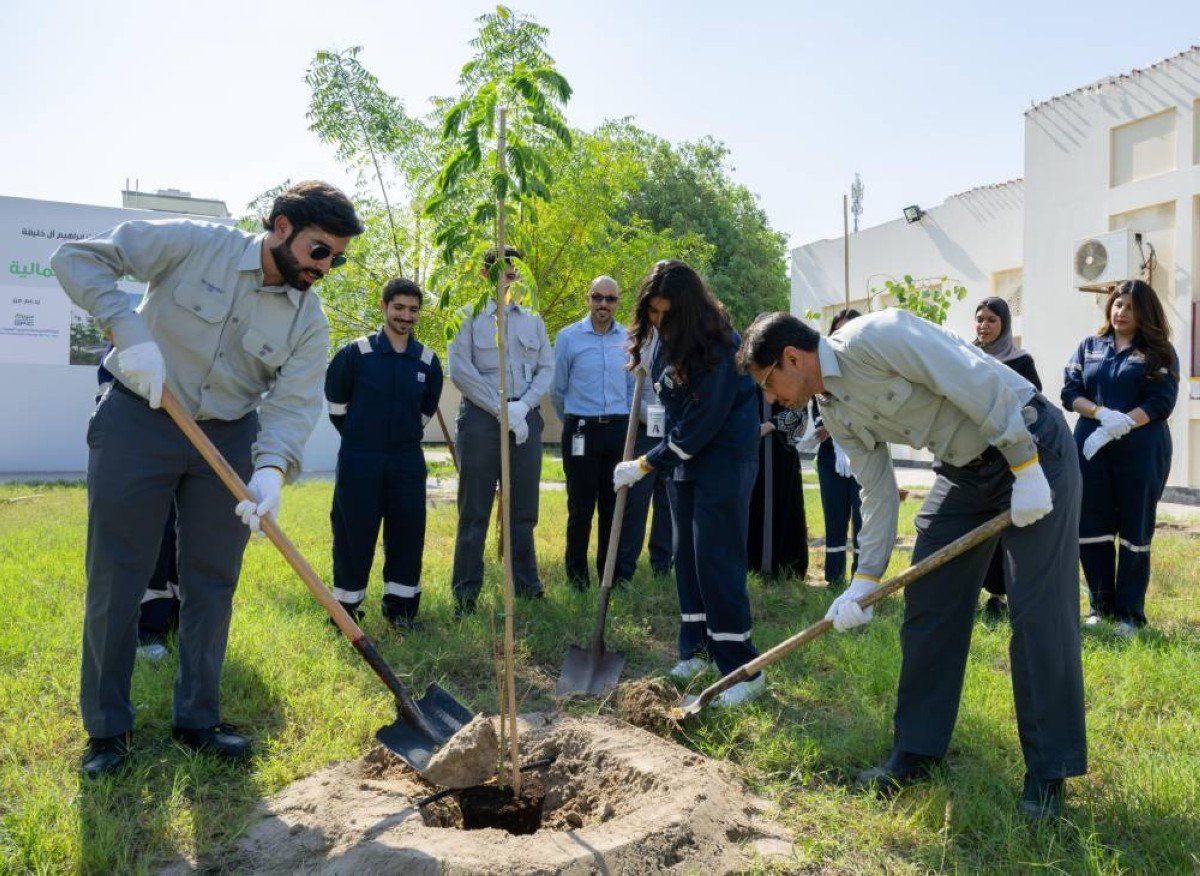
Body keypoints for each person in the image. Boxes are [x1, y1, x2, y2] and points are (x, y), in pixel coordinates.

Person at [53, 181, 364, 779]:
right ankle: (108, 730)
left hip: (225, 437)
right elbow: (75, 258)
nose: (326, 268)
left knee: (212, 580)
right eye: (320, 251)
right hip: (137, 417)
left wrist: (271, 469)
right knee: (117, 576)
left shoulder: (308, 318)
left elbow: (294, 403)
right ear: (280, 227)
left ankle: (197, 719)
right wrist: (131, 332)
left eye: (338, 258)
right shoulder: (195, 244)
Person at [739, 309, 1085, 821]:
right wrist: (862, 582)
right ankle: (917, 751)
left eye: (770, 383)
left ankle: (1049, 773)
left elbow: (973, 378)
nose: (772, 398)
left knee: (1038, 613)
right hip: (964, 474)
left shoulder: (881, 336)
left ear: (793, 357)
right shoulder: (832, 409)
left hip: (1031, 445)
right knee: (930, 604)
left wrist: (1026, 465)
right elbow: (876, 490)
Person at [613, 260, 764, 707]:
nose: (659, 322)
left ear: (689, 308)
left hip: (721, 461)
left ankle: (742, 669)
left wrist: (644, 463)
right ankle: (696, 650)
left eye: (667, 314)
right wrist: (649, 361)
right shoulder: (666, 340)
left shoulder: (720, 348)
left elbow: (700, 425)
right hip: (686, 462)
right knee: (687, 559)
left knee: (717, 562)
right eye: (653, 313)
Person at [1062, 280, 1179, 636]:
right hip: (1091, 449)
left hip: (1141, 451)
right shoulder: (1090, 347)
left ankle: (1130, 614)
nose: (1120, 312)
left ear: (1144, 312)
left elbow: (1161, 401)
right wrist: (1101, 415)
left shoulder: (1159, 351)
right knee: (1091, 528)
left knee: (1134, 529)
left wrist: (1123, 423)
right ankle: (1101, 606)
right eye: (1116, 304)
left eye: (1129, 306)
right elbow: (1070, 392)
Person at [325, 278, 443, 631]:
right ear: (384, 306)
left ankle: (402, 612)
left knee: (407, 533)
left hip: (406, 460)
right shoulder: (356, 354)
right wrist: (364, 437)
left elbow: (425, 409)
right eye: (399, 308)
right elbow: (336, 407)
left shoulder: (426, 360)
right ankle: (346, 615)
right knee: (353, 534)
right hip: (360, 459)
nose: (406, 316)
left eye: (413, 310)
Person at [447, 247, 554, 614]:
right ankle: (465, 594)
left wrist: (523, 408)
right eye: (503, 271)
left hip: (526, 418)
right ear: (485, 275)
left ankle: (527, 587)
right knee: (474, 509)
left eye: (515, 272)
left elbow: (546, 368)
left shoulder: (533, 320)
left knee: (523, 511)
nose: (510, 277)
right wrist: (501, 410)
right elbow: (461, 371)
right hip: (480, 421)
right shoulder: (467, 316)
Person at [550, 276, 635, 588]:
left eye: (610, 299)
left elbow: (630, 388)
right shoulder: (568, 337)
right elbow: (558, 390)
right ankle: (577, 578)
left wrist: (622, 422)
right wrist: (574, 419)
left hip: (617, 430)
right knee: (580, 507)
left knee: (613, 507)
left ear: (617, 302)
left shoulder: (628, 338)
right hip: (581, 430)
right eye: (597, 297)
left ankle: (608, 577)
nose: (603, 304)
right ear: (588, 299)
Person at [98, 360, 180, 662]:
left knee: (189, 538)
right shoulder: (141, 321)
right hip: (147, 443)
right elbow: (110, 385)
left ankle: (181, 624)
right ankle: (146, 630)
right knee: (152, 539)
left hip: (198, 444)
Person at [973, 297, 1042, 622]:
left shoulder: (1020, 361)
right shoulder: (965, 357)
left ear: (1005, 325)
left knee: (1009, 526)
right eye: (980, 319)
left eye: (991, 320)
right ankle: (983, 591)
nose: (984, 326)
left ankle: (1004, 595)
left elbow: (1032, 404)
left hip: (1008, 456)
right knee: (976, 527)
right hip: (971, 457)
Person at [615, 328, 675, 583]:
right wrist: (651, 417)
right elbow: (627, 391)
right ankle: (624, 571)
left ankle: (662, 566)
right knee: (636, 503)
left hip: (674, 431)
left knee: (667, 503)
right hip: (642, 431)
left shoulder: (682, 337)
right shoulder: (634, 340)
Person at [809, 309, 862, 585]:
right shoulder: (822, 366)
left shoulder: (869, 366)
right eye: (839, 330)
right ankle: (834, 576)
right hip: (831, 457)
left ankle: (862, 578)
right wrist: (828, 424)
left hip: (865, 453)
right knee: (834, 517)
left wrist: (844, 424)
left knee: (864, 520)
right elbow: (817, 406)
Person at [746, 394, 808, 579]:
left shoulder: (787, 367)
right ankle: (750, 565)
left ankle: (785, 568)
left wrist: (772, 424)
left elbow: (800, 403)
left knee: (782, 505)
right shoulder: (741, 370)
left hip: (781, 451)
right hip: (747, 450)